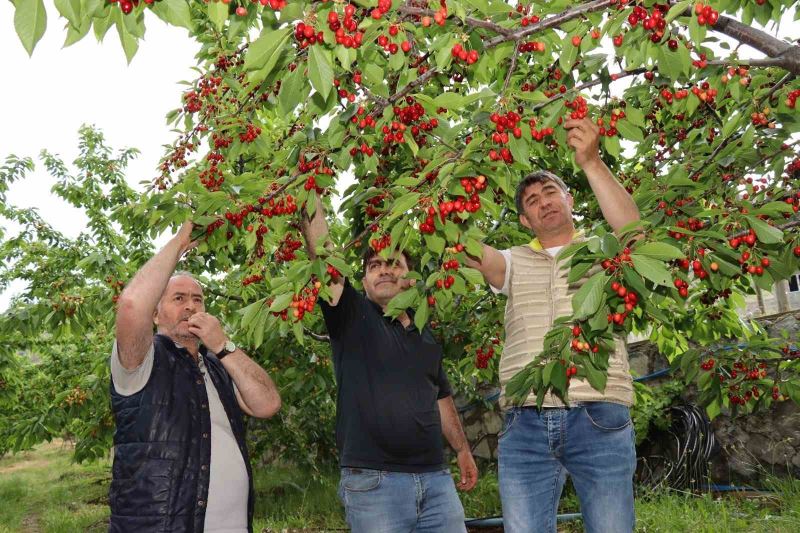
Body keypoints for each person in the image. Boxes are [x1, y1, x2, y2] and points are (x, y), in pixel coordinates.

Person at [466, 117, 641, 533]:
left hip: (598, 410)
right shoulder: (512, 261)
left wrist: (592, 161)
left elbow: (635, 232)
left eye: (550, 192)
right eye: (531, 200)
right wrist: (453, 179)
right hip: (524, 422)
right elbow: (463, 245)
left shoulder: (603, 250)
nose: (543, 201)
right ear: (525, 220)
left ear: (569, 200)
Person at [301, 196, 478, 533]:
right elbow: (324, 255)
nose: (384, 269)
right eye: (374, 266)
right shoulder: (351, 316)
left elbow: (440, 397)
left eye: (394, 264)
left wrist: (462, 448)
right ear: (364, 282)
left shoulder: (426, 335)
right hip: (375, 484)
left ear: (410, 278)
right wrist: (311, 185)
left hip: (437, 482)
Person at [109, 221, 281, 532]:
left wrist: (223, 347)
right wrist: (178, 243)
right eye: (178, 298)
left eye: (198, 299)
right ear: (156, 314)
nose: (190, 305)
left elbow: (267, 404)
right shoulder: (142, 361)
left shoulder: (217, 364)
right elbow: (132, 304)